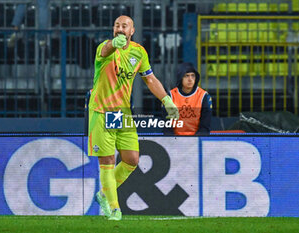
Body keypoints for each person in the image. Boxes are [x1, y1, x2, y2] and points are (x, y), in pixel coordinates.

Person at [88, 15, 179, 220]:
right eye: (117, 26)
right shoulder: (105, 48)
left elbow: (150, 78)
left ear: (132, 31)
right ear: (113, 30)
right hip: (101, 112)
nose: (120, 29)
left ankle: (103, 194)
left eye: (125, 26)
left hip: (121, 113)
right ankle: (114, 208)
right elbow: (106, 50)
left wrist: (166, 100)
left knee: (131, 160)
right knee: (108, 160)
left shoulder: (138, 52)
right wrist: (114, 44)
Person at [168, 62, 212, 135]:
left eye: (193, 76)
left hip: (197, 140)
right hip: (174, 140)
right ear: (180, 77)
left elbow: (205, 126)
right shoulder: (171, 96)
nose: (190, 79)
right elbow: (166, 126)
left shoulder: (204, 96)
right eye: (186, 76)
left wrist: (194, 141)